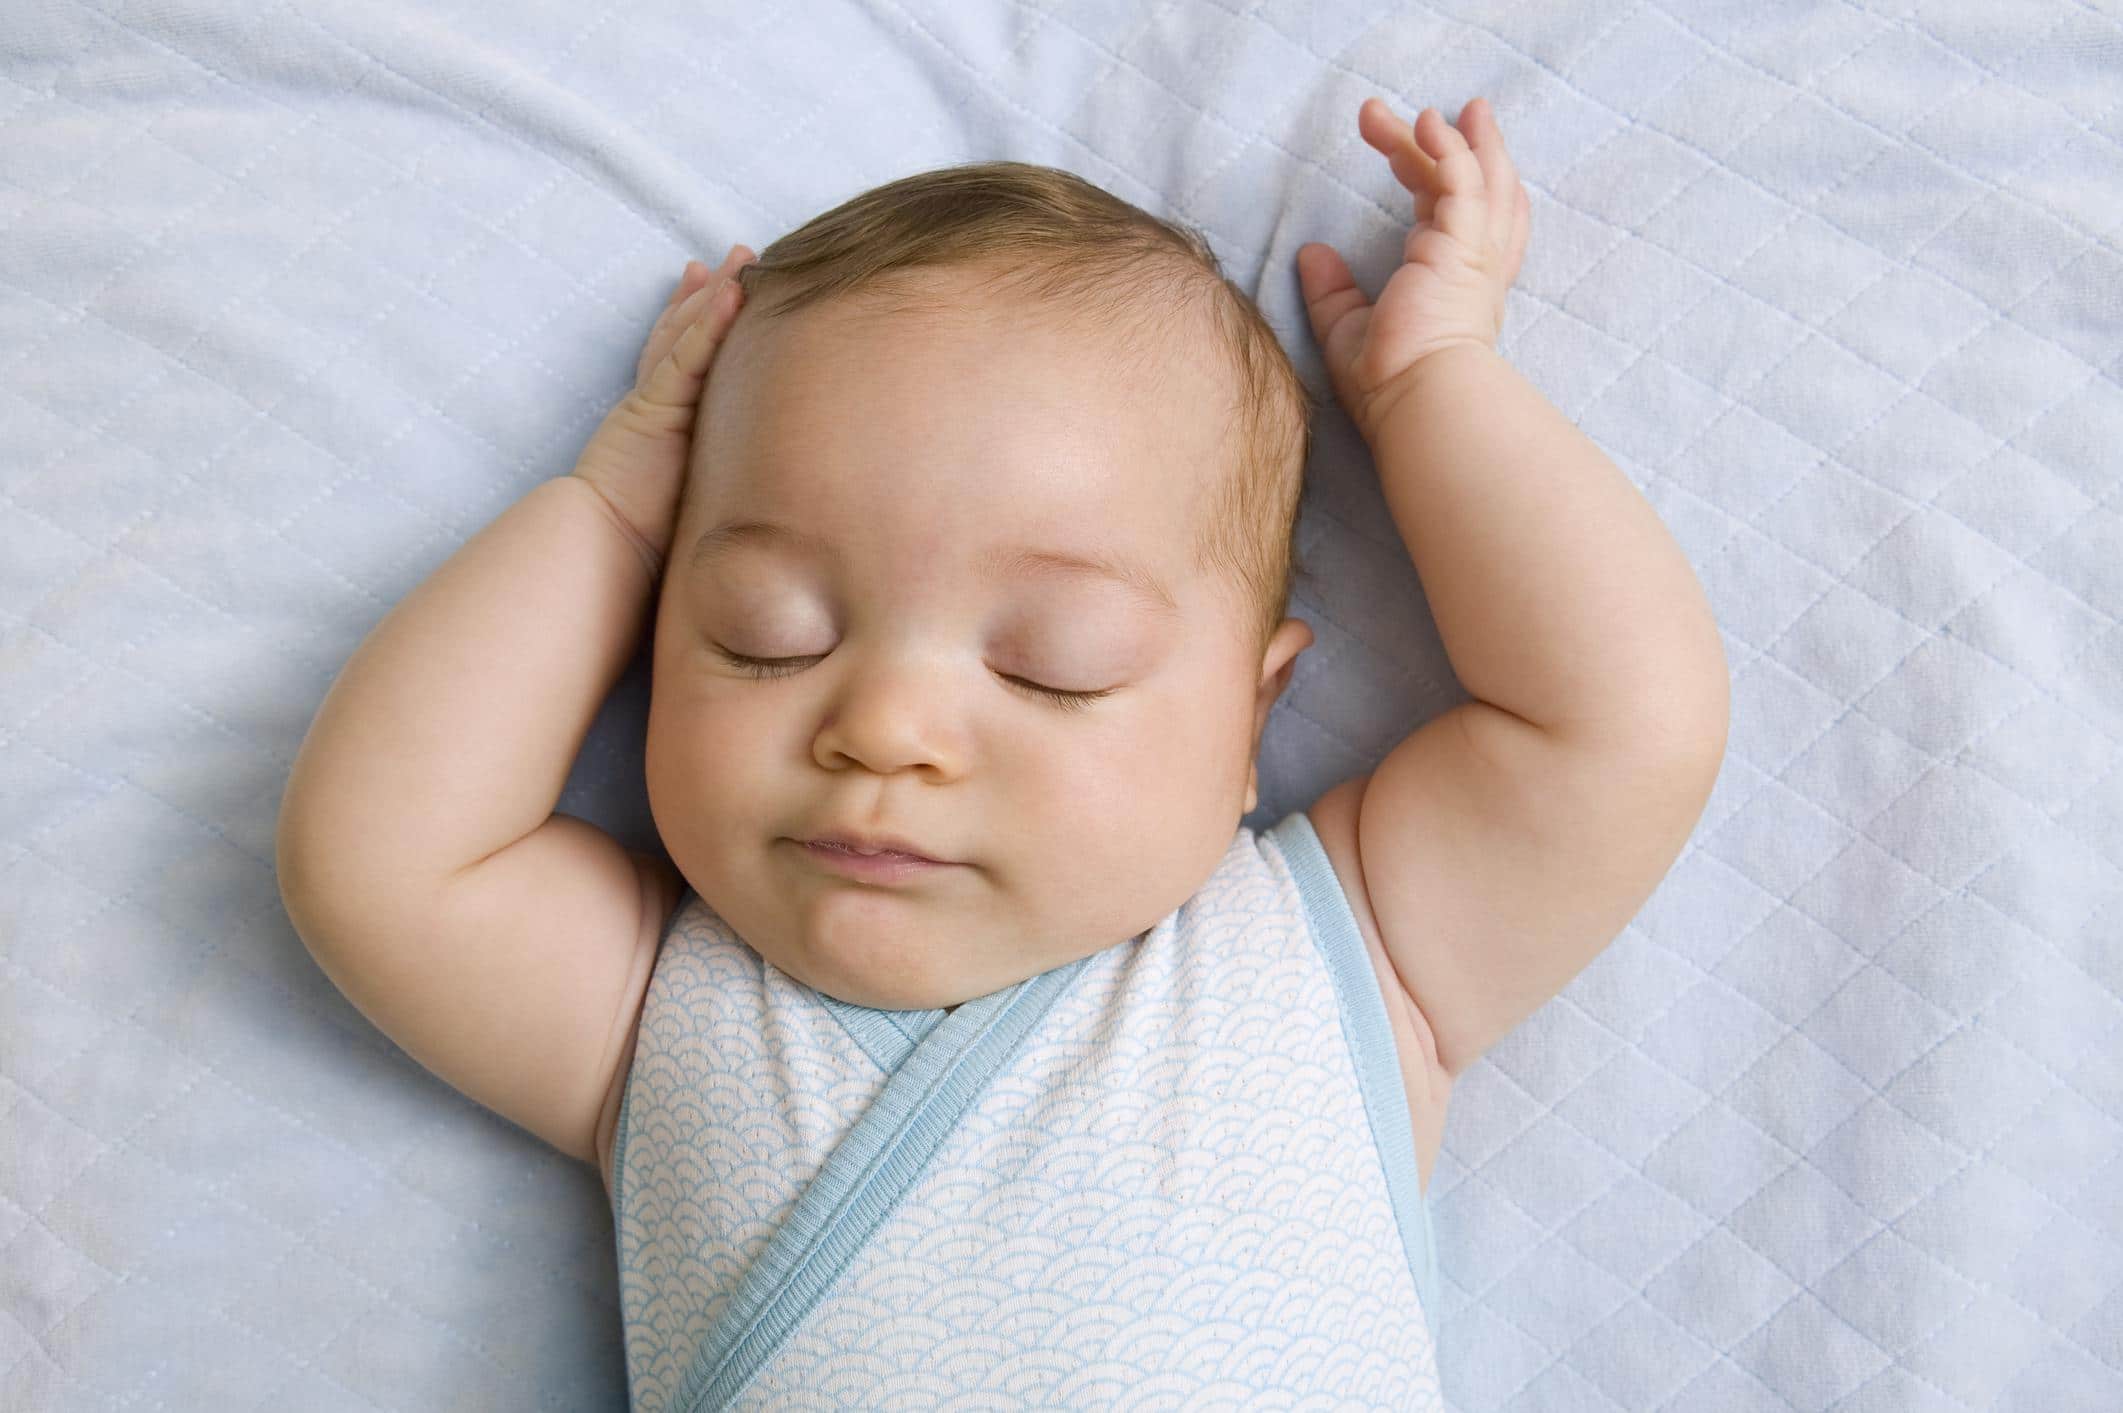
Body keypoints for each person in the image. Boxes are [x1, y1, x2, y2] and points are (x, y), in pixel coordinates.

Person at [276, 95, 1728, 1408]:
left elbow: (1615, 724)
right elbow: (383, 857)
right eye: (762, 631)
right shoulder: (658, 1009)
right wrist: (609, 504)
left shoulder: (1343, 954)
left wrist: (1434, 389)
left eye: (1051, 665)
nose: (885, 730)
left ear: (1251, 720)